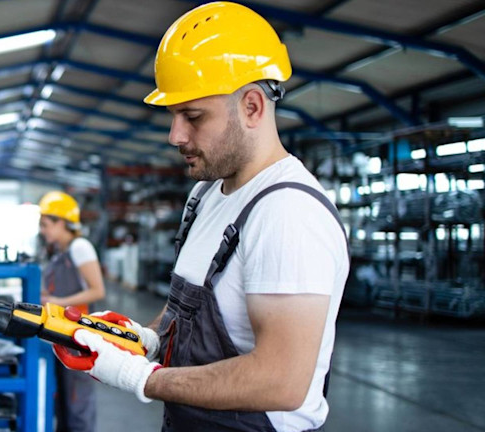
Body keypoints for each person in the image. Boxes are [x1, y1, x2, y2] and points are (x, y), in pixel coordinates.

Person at [54, 3, 350, 432]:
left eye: (192, 116)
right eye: (174, 116)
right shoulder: (206, 194)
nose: (175, 135)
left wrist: (142, 377)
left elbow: (282, 381)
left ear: (252, 107)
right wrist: (144, 338)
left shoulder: (287, 213)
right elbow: (187, 314)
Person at [38, 190, 105, 432]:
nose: (42, 231)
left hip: (79, 338)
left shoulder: (80, 247)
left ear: (61, 223)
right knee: (63, 404)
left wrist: (58, 301)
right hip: (62, 336)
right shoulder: (60, 252)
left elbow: (97, 290)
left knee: (77, 404)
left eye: (46, 225)